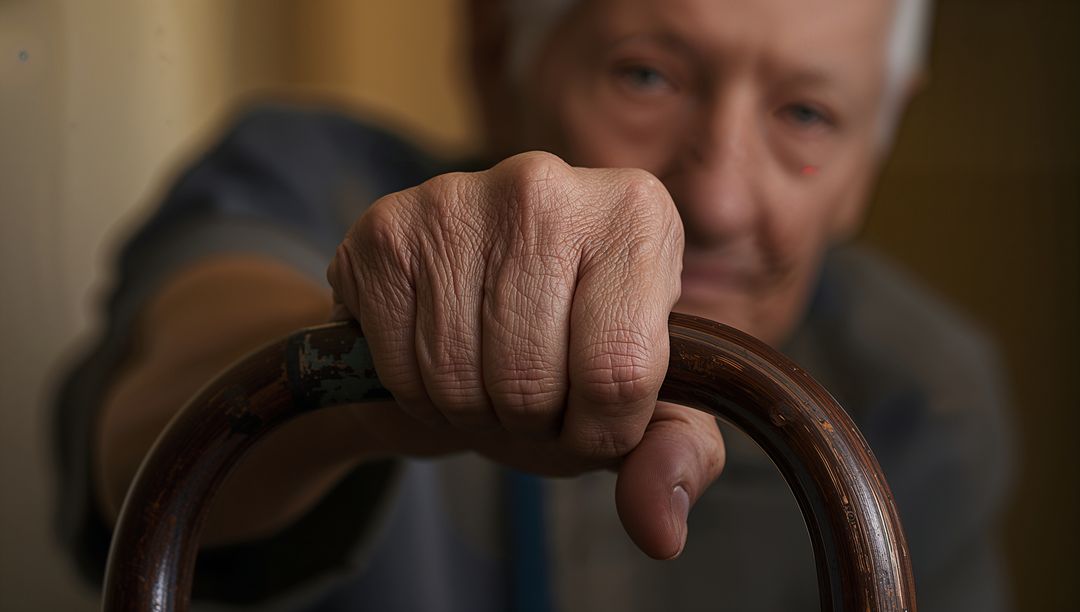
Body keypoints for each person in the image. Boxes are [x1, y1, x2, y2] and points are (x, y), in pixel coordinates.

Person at [54, 0, 1014, 610]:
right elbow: (153, 430)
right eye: (647, 75)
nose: (720, 199)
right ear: (491, 52)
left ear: (871, 156)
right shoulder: (306, 180)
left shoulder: (924, 395)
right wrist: (394, 367)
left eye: (806, 115)